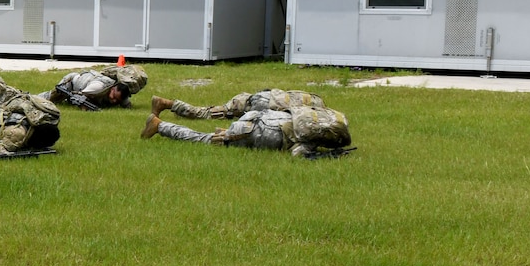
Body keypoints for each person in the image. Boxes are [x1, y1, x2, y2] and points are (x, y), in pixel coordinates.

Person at [142, 102, 354, 157]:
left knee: (217, 135)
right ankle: (160, 126)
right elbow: (298, 154)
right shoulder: (308, 137)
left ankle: (161, 124)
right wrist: (324, 156)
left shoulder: (303, 121)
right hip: (249, 132)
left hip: (254, 120)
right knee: (202, 139)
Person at [150, 88, 323, 119]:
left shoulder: (310, 97)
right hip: (245, 104)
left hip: (251, 98)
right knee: (203, 114)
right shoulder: (306, 111)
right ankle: (166, 103)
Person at [43, 63, 146, 110]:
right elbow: (80, 96)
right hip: (71, 83)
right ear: (113, 88)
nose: (114, 100)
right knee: (48, 100)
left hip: (82, 89)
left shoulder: (121, 94)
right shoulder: (98, 87)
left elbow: (127, 106)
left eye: (117, 100)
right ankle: (29, 97)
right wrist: (83, 106)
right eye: (113, 96)